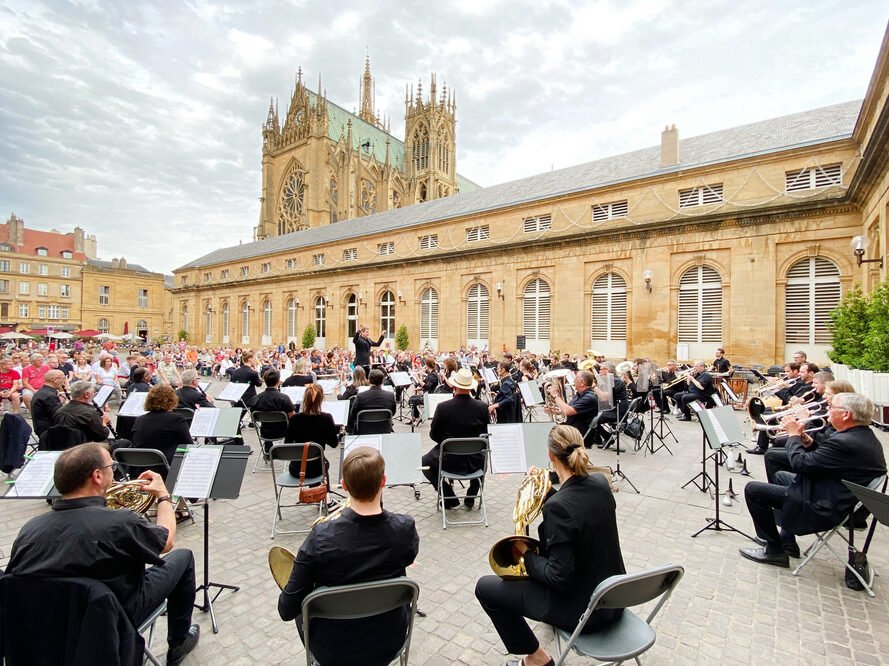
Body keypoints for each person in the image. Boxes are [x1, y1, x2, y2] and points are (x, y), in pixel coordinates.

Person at [4, 443, 200, 665]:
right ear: (97, 476)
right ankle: (179, 642)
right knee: (183, 557)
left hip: (46, 624)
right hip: (114, 615)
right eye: (112, 466)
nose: (114, 472)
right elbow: (167, 540)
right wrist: (163, 496)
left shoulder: (30, 529)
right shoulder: (120, 522)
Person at [475, 425, 625, 666]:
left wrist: (525, 554)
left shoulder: (558, 509)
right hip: (614, 599)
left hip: (584, 611)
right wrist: (545, 490)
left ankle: (537, 659)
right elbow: (576, 508)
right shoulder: (600, 483)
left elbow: (558, 576)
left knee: (485, 588)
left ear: (550, 456)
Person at [278, 446, 419, 666]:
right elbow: (408, 557)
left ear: (343, 486)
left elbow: (286, 610)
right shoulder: (405, 528)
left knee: (302, 603)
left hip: (333, 652)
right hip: (389, 642)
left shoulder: (320, 537)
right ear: (384, 481)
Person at [740, 392, 887, 568]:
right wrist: (810, 443)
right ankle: (786, 539)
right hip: (841, 495)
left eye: (832, 407)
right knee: (780, 475)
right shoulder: (863, 436)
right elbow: (829, 460)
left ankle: (774, 551)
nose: (828, 410)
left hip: (828, 505)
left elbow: (800, 464)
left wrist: (793, 436)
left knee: (753, 490)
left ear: (846, 414)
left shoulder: (845, 441)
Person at [423, 367, 489, 509]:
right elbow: (486, 435)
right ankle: (471, 497)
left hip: (448, 461)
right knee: (485, 459)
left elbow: (433, 434)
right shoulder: (483, 407)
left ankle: (449, 497)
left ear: (454, 386)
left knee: (424, 463)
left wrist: (448, 443)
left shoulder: (443, 407)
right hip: (475, 461)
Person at [132, 384, 193, 474]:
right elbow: (188, 445)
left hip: (142, 467)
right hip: (166, 466)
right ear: (172, 400)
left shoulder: (139, 419)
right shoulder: (176, 419)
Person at [53, 380, 130, 448]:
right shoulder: (90, 412)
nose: (93, 395)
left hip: (63, 445)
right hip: (87, 447)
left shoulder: (59, 410)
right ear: (87, 394)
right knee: (125, 443)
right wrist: (104, 422)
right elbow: (102, 436)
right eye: (93, 393)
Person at [285, 383, 339, 481]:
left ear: (305, 399)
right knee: (322, 464)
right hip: (317, 468)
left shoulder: (295, 419)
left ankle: (312, 494)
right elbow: (334, 444)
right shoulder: (326, 418)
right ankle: (317, 494)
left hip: (297, 469)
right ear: (322, 399)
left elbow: (287, 444)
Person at [544, 370, 602, 447]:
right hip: (571, 428)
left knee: (548, 436)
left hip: (577, 433)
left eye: (576, 379)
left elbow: (568, 411)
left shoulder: (589, 397)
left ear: (582, 383)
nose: (573, 381)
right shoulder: (579, 394)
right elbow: (566, 410)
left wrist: (555, 396)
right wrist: (552, 410)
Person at [347, 368, 395, 434]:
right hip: (383, 428)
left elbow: (353, 414)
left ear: (369, 380)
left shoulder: (360, 396)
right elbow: (393, 412)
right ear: (383, 381)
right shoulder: (390, 395)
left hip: (363, 429)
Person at [30, 369, 66, 438]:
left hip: (42, 428)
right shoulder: (49, 395)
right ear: (55, 380)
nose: (64, 381)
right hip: (48, 431)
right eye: (63, 378)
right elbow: (59, 416)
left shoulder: (43, 392)